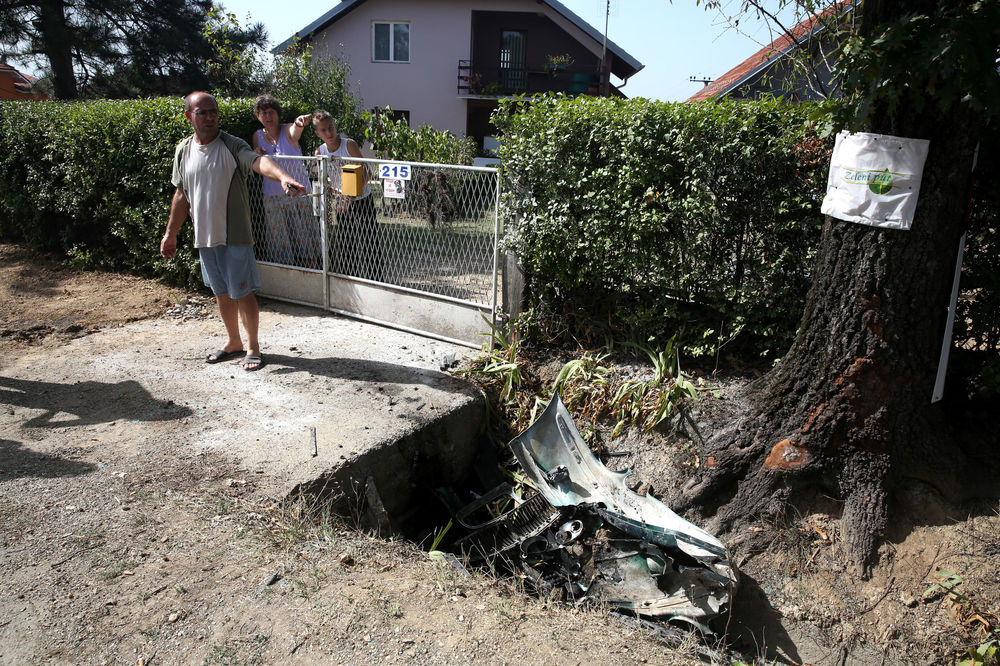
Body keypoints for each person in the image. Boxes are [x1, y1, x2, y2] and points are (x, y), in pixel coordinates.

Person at [160, 91, 306, 372]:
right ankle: (233, 342)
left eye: (213, 111)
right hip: (205, 235)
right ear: (189, 116)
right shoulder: (184, 149)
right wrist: (171, 232)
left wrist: (285, 177)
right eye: (202, 112)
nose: (210, 116)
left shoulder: (231, 144)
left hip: (235, 234)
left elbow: (258, 162)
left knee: (242, 291)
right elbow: (181, 193)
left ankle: (253, 347)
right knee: (221, 291)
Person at [312, 109, 382, 280]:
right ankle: (349, 277)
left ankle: (376, 278)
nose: (328, 133)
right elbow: (323, 179)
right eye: (323, 130)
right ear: (317, 133)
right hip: (342, 201)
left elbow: (367, 173)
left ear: (335, 126)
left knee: (370, 238)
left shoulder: (348, 145)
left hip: (361, 199)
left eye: (331, 128)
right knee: (345, 240)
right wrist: (334, 191)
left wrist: (351, 196)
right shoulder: (320, 152)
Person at [251, 94, 318, 268]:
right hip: (272, 196)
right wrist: (256, 152)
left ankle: (311, 270)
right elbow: (256, 159)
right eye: (263, 113)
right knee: (279, 238)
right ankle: (285, 273)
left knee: (302, 235)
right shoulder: (257, 136)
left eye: (271, 112)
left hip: (298, 194)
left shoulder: (287, 130)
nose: (268, 116)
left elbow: (295, 131)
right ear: (258, 116)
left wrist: (299, 123)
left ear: (278, 113)